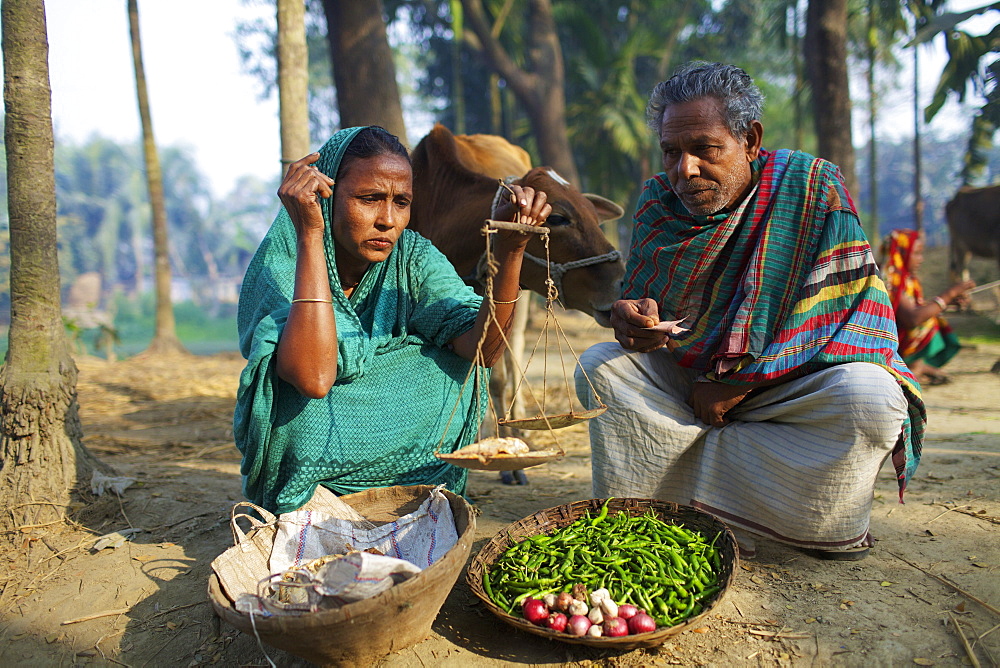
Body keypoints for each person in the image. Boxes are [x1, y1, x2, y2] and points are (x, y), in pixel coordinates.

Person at [574, 62, 926, 561]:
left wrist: (742, 383)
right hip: (694, 387)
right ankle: (665, 509)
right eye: (671, 152)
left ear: (751, 139)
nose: (685, 169)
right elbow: (650, 307)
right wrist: (632, 321)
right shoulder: (657, 200)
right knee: (600, 366)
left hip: (789, 388)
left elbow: (844, 314)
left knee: (872, 399)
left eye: (705, 149)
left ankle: (789, 522)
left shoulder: (811, 188)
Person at [235, 126, 551, 513]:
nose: (387, 219)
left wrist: (511, 249)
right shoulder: (283, 260)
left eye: (401, 202)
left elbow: (483, 349)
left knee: (453, 364)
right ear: (326, 197)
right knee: (302, 401)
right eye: (369, 199)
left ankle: (412, 491)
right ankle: (322, 499)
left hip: (411, 479)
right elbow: (314, 379)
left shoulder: (413, 256)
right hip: (311, 470)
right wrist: (311, 236)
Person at [880, 229, 975, 385]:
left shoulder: (905, 279)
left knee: (932, 313)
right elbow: (912, 318)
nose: (921, 259)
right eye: (916, 253)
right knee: (926, 321)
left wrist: (947, 302)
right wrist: (949, 294)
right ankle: (912, 370)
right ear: (901, 252)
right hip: (888, 341)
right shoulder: (890, 279)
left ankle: (917, 367)